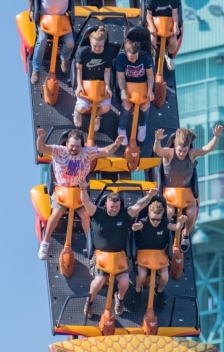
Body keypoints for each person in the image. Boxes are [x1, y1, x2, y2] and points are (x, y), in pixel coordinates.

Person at [35, 128, 125, 260]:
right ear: (66, 144)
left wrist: (116, 144)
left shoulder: (87, 152)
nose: (74, 149)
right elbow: (43, 149)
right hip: (62, 189)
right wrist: (41, 138)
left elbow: (106, 151)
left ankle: (91, 243)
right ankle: (45, 242)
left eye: (77, 146)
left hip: (79, 190)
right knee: (57, 213)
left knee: (86, 215)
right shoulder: (59, 150)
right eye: (72, 146)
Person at [80, 182, 157, 316]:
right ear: (106, 205)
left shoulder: (124, 214)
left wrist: (149, 196)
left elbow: (139, 205)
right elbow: (85, 202)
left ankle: (119, 298)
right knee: (98, 281)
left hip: (119, 255)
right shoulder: (98, 213)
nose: (114, 209)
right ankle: (89, 302)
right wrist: (83, 188)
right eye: (112, 207)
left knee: (125, 281)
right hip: (100, 255)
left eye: (117, 206)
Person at [153, 125, 224, 241]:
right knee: (169, 212)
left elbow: (207, 149)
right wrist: (157, 140)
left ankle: (185, 235)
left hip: (186, 192)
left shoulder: (191, 154)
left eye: (184, 151)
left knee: (191, 212)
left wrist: (216, 136)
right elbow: (158, 150)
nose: (182, 154)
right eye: (180, 151)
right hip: (169, 192)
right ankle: (163, 235)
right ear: (175, 146)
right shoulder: (169, 153)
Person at [28, 0, 92, 83]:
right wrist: (30, 10)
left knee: (70, 43)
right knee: (41, 41)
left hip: (61, 18)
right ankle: (36, 69)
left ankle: (64, 58)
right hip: (45, 18)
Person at [131, 200, 185, 309]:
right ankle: (137, 290)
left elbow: (175, 227)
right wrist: (135, 227)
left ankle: (158, 290)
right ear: (149, 216)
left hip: (159, 254)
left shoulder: (164, 222)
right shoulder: (144, 222)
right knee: (142, 274)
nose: (155, 222)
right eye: (153, 219)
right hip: (144, 253)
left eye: (158, 219)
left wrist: (180, 223)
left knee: (165, 276)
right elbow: (136, 227)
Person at [73, 27, 115, 130]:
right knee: (82, 108)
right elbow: (79, 70)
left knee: (106, 107)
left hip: (100, 82)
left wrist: (107, 86)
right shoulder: (83, 52)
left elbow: (107, 70)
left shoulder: (108, 52)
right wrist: (79, 85)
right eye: (95, 46)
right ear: (90, 43)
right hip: (86, 82)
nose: (97, 48)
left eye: (100, 46)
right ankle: (77, 112)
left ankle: (96, 114)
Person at [115, 35, 155, 143]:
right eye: (131, 58)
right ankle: (122, 128)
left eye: (135, 57)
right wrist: (123, 91)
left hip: (142, 84)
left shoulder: (145, 57)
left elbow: (150, 76)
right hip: (128, 85)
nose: (133, 60)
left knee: (145, 104)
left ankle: (142, 125)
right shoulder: (121, 58)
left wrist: (150, 90)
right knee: (127, 103)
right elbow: (121, 77)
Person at [144, 0, 182, 70]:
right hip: (155, 22)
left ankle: (169, 55)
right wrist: (152, 27)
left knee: (173, 41)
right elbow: (148, 14)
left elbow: (175, 14)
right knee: (152, 38)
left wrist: (176, 26)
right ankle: (151, 55)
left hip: (168, 22)